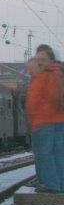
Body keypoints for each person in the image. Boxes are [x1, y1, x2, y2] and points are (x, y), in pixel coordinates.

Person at [25, 44, 64, 192]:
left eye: (43, 59)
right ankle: (59, 185)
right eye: (37, 59)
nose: (39, 62)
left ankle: (51, 185)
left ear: (50, 59)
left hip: (45, 121)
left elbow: (52, 98)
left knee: (45, 154)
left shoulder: (48, 75)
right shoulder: (55, 72)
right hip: (56, 121)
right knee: (58, 154)